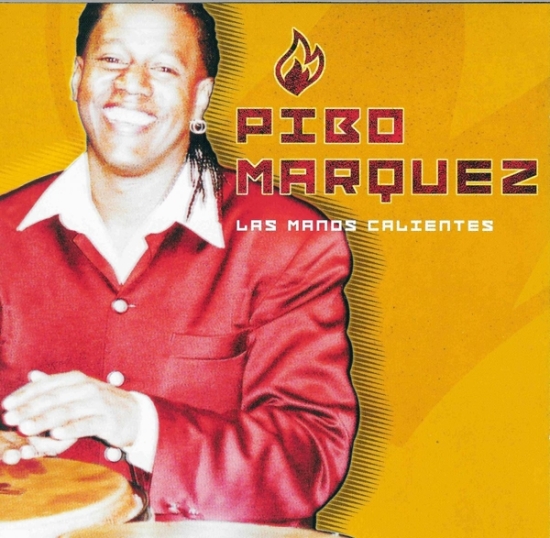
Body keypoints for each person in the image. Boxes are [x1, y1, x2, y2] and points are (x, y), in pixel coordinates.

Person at [0, 3, 357, 527]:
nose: (132, 84)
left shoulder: (287, 239)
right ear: (78, 78)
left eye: (164, 67)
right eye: (112, 59)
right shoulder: (4, 232)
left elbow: (308, 459)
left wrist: (135, 421)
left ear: (200, 99)